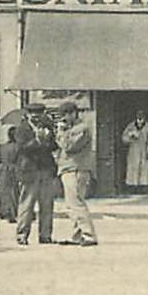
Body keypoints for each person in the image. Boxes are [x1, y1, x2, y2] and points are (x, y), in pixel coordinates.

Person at [54, 102, 98, 246]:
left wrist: (61, 133)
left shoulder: (81, 128)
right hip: (68, 168)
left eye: (65, 115)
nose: (63, 119)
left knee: (76, 203)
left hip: (76, 169)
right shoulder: (72, 129)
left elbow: (69, 146)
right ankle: (78, 235)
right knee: (71, 205)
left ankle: (88, 235)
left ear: (73, 113)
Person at [14, 105, 58, 245]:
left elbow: (54, 147)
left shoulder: (48, 127)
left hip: (46, 169)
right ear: (27, 114)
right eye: (32, 113)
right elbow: (22, 148)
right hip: (29, 170)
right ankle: (22, 234)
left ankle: (45, 235)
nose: (36, 116)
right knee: (27, 204)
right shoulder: (22, 129)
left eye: (39, 113)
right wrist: (38, 140)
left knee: (47, 205)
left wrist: (49, 138)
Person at [0, 117, 22, 222]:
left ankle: (5, 212)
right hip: (16, 170)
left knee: (3, 192)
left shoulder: (2, 147)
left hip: (3, 171)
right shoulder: (20, 147)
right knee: (15, 192)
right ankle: (14, 212)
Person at [121, 113, 148, 193]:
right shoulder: (131, 125)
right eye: (138, 115)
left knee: (144, 167)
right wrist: (130, 137)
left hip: (144, 148)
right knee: (133, 167)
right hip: (134, 149)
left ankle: (144, 187)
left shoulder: (147, 126)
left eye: (142, 115)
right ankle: (133, 186)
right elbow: (124, 137)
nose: (140, 116)